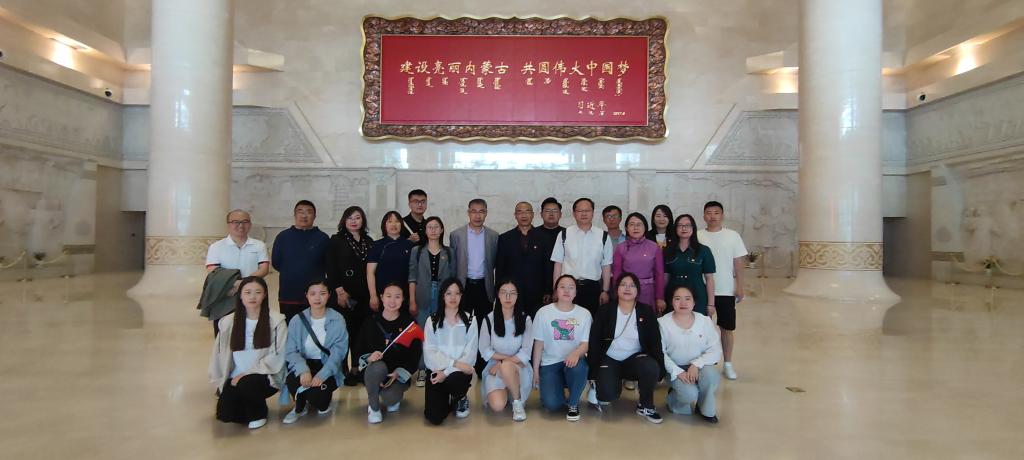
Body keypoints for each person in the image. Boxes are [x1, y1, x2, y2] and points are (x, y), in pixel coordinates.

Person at [209, 276, 287, 429]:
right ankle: (248, 403)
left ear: (264, 295)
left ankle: (259, 414)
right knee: (225, 414)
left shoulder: (276, 321)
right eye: (248, 292)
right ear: (240, 295)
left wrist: (247, 374)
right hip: (235, 376)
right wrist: (220, 380)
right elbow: (218, 354)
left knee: (248, 384)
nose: (252, 297)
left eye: (258, 292)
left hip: (266, 374)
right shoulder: (228, 322)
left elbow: (278, 355)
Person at [587, 273, 665, 424]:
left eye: (632, 285)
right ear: (616, 289)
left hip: (634, 360)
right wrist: (593, 372)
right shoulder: (605, 310)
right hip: (609, 359)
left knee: (650, 366)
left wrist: (659, 368)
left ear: (638, 290)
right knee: (607, 395)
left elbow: (655, 342)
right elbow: (595, 341)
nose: (627, 288)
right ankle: (600, 385)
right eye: (623, 284)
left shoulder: (646, 311)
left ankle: (646, 405)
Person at [282, 280, 348, 424]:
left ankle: (319, 399)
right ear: (307, 295)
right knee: (294, 380)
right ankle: (299, 405)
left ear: (329, 295)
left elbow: (339, 353)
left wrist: (323, 374)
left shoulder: (337, 319)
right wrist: (303, 370)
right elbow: (291, 351)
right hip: (304, 364)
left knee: (319, 400)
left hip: (326, 366)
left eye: (322, 293)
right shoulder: (297, 320)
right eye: (313, 294)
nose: (317, 298)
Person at [357, 283, 422, 424]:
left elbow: (415, 355)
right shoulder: (370, 322)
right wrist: (369, 357)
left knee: (391, 398)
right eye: (388, 296)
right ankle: (374, 407)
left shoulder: (409, 324)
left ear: (403, 299)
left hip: (396, 375)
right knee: (377, 368)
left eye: (397, 297)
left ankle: (389, 395)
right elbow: (359, 349)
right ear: (381, 298)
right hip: (374, 371)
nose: (392, 301)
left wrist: (399, 373)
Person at [697, 201, 748, 380]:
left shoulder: (732, 236)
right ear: (704, 216)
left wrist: (739, 285)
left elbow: (738, 262)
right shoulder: (698, 235)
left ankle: (728, 364)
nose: (712, 216)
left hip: (725, 289)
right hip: (703, 289)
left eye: (716, 212)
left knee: (727, 328)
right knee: (702, 328)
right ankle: (703, 363)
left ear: (722, 215)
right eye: (709, 213)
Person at [325, 206, 374, 386]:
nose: (354, 221)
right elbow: (331, 268)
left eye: (357, 217)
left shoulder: (368, 241)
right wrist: (339, 291)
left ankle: (357, 367)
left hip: (364, 295)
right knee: (344, 331)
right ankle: (343, 368)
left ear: (363, 220)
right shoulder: (336, 240)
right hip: (343, 294)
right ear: (344, 220)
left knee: (361, 333)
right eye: (350, 218)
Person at [658, 285, 722, 423]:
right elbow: (660, 353)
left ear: (694, 302)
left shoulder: (704, 321)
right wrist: (678, 372)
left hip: (699, 365)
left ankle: (705, 408)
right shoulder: (662, 323)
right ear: (671, 302)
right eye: (677, 299)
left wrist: (696, 364)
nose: (683, 303)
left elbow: (715, 350)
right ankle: (673, 399)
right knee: (689, 394)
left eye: (687, 299)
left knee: (711, 377)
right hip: (675, 368)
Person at [532, 274, 592, 422]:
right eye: (562, 287)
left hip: (573, 362)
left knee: (579, 367)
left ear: (576, 292)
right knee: (551, 404)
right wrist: (535, 371)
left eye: (571, 287)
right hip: (550, 363)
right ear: (556, 291)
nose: (566, 290)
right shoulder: (543, 313)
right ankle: (557, 390)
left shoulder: (584, 314)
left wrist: (576, 353)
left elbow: (585, 344)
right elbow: (538, 344)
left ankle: (573, 403)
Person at [423, 279, 479, 425]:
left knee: (455, 380)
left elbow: (470, 356)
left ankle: (459, 397)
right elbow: (430, 354)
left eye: (457, 293)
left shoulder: (471, 320)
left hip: (458, 374)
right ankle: (445, 398)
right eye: (449, 293)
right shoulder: (432, 321)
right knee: (434, 417)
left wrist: (447, 372)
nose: (453, 297)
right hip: (437, 371)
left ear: (461, 296)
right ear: (442, 296)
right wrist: (452, 364)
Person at [205, 209, 269, 334]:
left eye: (245, 222)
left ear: (250, 224)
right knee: (224, 332)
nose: (240, 225)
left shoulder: (259, 245)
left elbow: (264, 269)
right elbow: (213, 270)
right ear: (228, 225)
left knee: (252, 333)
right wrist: (234, 283)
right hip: (225, 294)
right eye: (235, 222)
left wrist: (243, 284)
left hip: (252, 296)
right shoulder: (216, 247)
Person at [478, 278, 533, 422]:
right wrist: (502, 362)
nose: (508, 297)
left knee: (507, 367)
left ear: (517, 296)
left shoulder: (525, 319)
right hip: (494, 366)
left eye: (512, 293)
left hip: (519, 366)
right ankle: (508, 390)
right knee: (497, 406)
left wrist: (502, 363)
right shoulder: (489, 319)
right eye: (504, 292)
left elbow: (526, 352)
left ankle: (517, 401)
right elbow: (485, 350)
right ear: (498, 295)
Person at [408, 216, 454, 386]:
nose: (433, 230)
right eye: (430, 227)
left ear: (441, 230)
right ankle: (422, 369)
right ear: (425, 231)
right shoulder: (417, 251)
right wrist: (412, 300)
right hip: (422, 296)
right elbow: (412, 277)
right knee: (423, 333)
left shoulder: (449, 252)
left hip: (443, 297)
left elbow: (453, 277)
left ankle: (439, 367)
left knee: (441, 332)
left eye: (436, 227)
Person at [550, 197, 613, 315]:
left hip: (593, 288)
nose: (584, 214)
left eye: (587, 210)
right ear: (574, 213)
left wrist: (605, 291)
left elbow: (606, 266)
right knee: (567, 320)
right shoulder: (564, 234)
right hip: (568, 287)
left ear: (593, 212)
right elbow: (558, 264)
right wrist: (555, 289)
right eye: (580, 211)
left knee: (591, 320)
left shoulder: (603, 236)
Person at [272, 200, 330, 323]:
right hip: (289, 293)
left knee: (315, 327)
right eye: (300, 212)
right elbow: (276, 263)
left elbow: (328, 265)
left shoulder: (323, 238)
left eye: (309, 212)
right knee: (290, 327)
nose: (304, 215)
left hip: (315, 296)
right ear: (295, 215)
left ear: (314, 216)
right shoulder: (283, 237)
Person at [495, 201, 554, 317]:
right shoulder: (505, 238)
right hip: (512, 292)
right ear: (515, 215)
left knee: (536, 322)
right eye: (520, 212)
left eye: (527, 212)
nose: (524, 215)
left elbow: (548, 267)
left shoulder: (544, 238)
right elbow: (500, 268)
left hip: (537, 292)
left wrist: (548, 291)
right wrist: (499, 290)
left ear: (532, 215)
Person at [449, 198, 499, 320]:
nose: (477, 216)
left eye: (481, 211)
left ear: (486, 213)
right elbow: (453, 263)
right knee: (462, 321)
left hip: (484, 286)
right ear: (468, 213)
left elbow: (494, 262)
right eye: (474, 211)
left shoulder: (493, 236)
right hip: (463, 285)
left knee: (484, 323)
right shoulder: (456, 235)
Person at [611, 213, 666, 313]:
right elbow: (617, 274)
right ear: (626, 228)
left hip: (647, 292)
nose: (635, 228)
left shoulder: (654, 247)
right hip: (626, 291)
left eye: (639, 224)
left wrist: (660, 297)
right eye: (632, 224)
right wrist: (616, 295)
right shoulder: (621, 247)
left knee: (646, 318)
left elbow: (659, 274)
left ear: (645, 227)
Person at [664, 214, 716, 317]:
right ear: (675, 228)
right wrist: (661, 298)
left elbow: (709, 278)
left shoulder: (704, 250)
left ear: (693, 228)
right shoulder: (667, 251)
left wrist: (711, 304)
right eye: (680, 225)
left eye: (687, 225)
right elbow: (665, 277)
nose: (684, 228)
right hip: (673, 295)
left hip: (698, 295)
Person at [367, 211, 415, 312]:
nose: (394, 224)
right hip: (383, 295)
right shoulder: (377, 245)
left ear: (401, 224)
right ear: (384, 225)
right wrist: (373, 296)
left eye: (397, 221)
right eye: (390, 221)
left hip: (404, 295)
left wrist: (412, 300)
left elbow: (413, 275)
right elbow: (370, 273)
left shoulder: (410, 245)